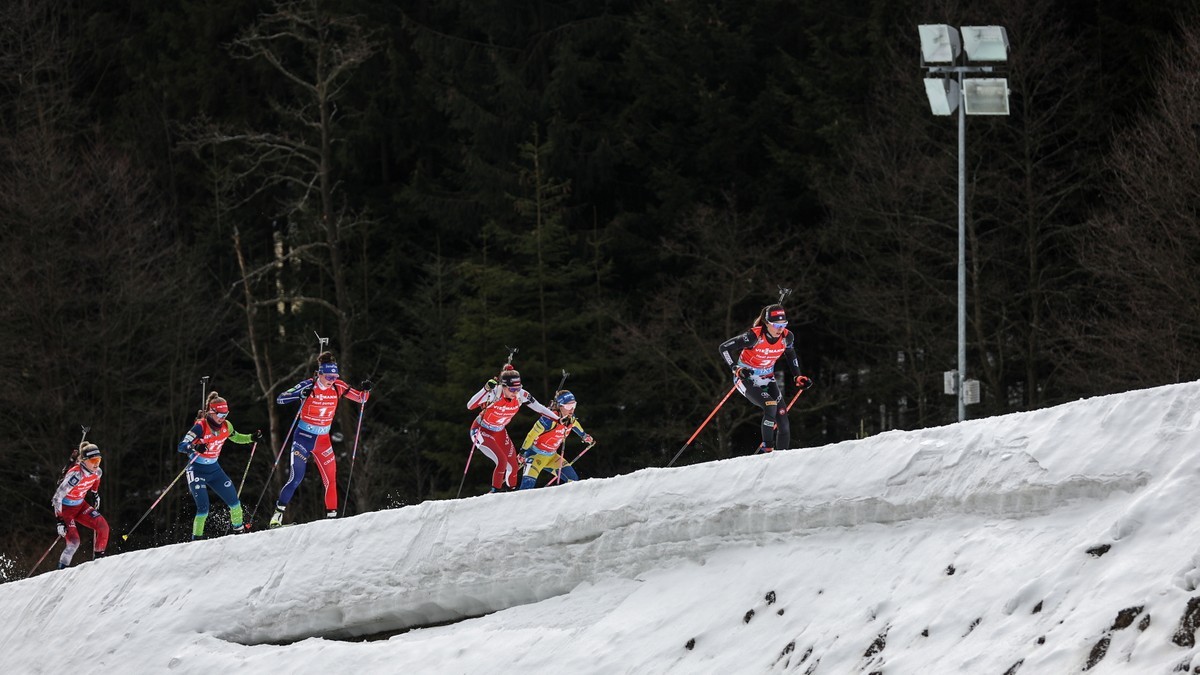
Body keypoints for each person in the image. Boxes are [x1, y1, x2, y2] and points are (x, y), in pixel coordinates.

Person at [270, 351, 371, 528]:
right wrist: (300, 395)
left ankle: (331, 519)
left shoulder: (338, 386)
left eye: (335, 375)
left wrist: (366, 390)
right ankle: (277, 516)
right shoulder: (308, 385)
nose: (332, 379)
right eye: (329, 376)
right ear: (321, 374)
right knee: (296, 477)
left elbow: (361, 399)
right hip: (303, 438)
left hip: (323, 440)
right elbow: (280, 399)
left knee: (330, 479)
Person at [717, 304, 812, 453]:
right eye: (776, 325)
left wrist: (797, 376)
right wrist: (736, 369)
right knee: (770, 405)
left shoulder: (787, 337)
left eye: (783, 324)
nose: (780, 328)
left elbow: (791, 354)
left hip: (767, 378)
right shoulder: (753, 336)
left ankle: (782, 458)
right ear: (767, 323)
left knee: (783, 419)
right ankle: (767, 450)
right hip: (746, 379)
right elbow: (724, 348)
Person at [177, 392, 258, 539]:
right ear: (211, 412)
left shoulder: (227, 426)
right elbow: (181, 446)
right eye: (220, 415)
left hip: (214, 470)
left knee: (234, 502)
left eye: (225, 414)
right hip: (196, 470)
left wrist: (251, 438)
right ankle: (197, 540)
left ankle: (239, 532)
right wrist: (194, 448)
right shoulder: (200, 426)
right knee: (203, 509)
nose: (223, 418)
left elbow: (237, 437)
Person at [467, 365, 559, 493]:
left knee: (514, 465)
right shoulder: (494, 393)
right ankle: (495, 493)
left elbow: (540, 408)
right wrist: (485, 389)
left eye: (518, 388)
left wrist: (559, 420)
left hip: (499, 431)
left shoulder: (521, 395)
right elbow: (470, 405)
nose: (515, 392)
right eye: (512, 389)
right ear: (503, 386)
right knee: (502, 461)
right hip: (481, 430)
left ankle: (512, 494)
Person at [518, 390, 595, 489]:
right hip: (535, 455)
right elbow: (531, 435)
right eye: (568, 406)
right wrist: (522, 452)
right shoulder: (548, 419)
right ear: (560, 406)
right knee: (527, 487)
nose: (571, 409)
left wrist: (584, 436)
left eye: (574, 405)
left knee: (573, 480)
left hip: (552, 457)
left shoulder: (571, 418)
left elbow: (575, 424)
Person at [52, 442, 109, 569]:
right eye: (93, 460)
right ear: (84, 460)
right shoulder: (76, 475)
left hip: (80, 506)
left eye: (99, 460)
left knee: (103, 527)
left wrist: (94, 494)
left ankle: (99, 561)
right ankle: (61, 571)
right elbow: (57, 497)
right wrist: (59, 521)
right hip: (66, 510)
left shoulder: (97, 472)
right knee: (74, 542)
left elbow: (96, 480)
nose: (96, 464)